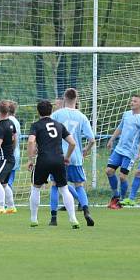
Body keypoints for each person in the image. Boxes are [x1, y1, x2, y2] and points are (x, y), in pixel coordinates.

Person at [27, 100, 80, 229]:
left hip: (43, 160)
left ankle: (34, 219)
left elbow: (30, 141)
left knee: (36, 188)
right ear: (51, 111)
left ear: (38, 111)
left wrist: (30, 159)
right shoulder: (59, 125)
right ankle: (73, 219)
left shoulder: (36, 125)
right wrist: (66, 157)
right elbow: (72, 143)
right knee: (64, 189)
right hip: (58, 160)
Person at [51, 88, 96, 226]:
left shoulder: (57, 114)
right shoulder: (82, 117)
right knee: (79, 186)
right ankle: (86, 211)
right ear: (77, 99)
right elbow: (92, 139)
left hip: (58, 156)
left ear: (65, 97)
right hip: (75, 157)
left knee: (55, 185)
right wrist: (85, 150)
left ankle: (53, 218)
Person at [105, 94, 140, 209]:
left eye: (135, 101)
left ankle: (122, 200)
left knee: (122, 177)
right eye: (131, 101)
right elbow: (120, 128)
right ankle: (116, 195)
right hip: (119, 149)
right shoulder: (126, 114)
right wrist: (111, 139)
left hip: (130, 153)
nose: (132, 103)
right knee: (109, 171)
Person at [3, 101, 21, 213]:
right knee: (9, 180)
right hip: (16, 153)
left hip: (10, 153)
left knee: (5, 181)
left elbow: (11, 138)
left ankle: (7, 205)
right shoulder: (16, 121)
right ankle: (9, 204)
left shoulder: (8, 122)